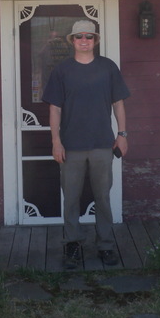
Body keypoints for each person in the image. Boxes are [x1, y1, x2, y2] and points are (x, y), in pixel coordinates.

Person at [42, 19, 130, 269]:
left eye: (89, 37)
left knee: (102, 197)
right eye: (79, 36)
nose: (84, 40)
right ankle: (72, 244)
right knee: (71, 198)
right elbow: (55, 108)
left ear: (95, 40)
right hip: (70, 146)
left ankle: (105, 245)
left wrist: (122, 134)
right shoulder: (62, 71)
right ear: (72, 41)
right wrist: (56, 141)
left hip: (102, 144)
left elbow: (119, 103)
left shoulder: (108, 68)